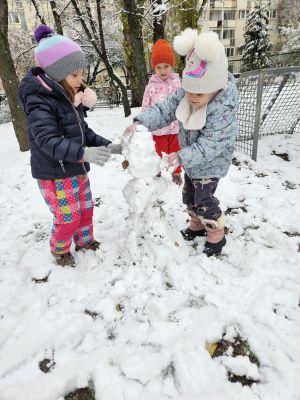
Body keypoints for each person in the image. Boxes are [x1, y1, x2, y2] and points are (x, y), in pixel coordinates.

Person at [124, 29, 239, 257]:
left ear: (215, 88)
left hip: (210, 164)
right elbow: (165, 109)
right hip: (191, 161)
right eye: (189, 92)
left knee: (204, 199)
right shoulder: (188, 92)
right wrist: (140, 123)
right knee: (188, 195)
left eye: (199, 94)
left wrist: (179, 156)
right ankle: (196, 224)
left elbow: (211, 144)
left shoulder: (222, 110)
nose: (192, 98)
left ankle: (216, 233)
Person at [18, 25, 122, 267]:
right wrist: (84, 153)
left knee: (85, 209)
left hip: (76, 168)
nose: (81, 81)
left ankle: (85, 241)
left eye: (81, 74)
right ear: (56, 74)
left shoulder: (69, 100)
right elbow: (47, 140)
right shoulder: (39, 101)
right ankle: (60, 250)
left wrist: (111, 146)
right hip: (54, 175)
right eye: (75, 75)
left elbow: (83, 132)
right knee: (68, 217)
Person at [142, 39, 182, 184]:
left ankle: (176, 173)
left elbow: (184, 103)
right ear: (154, 68)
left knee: (176, 150)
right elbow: (146, 107)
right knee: (159, 152)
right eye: (159, 67)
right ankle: (158, 172)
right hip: (158, 130)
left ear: (172, 66)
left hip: (176, 127)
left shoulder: (179, 83)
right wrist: (144, 123)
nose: (163, 70)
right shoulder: (150, 87)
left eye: (166, 66)